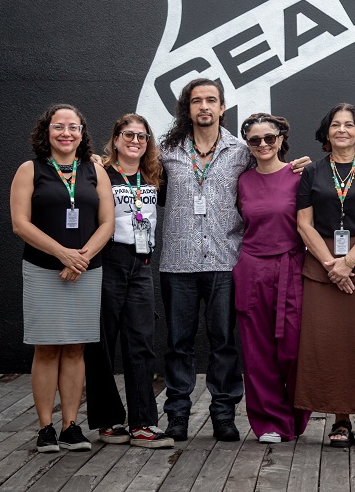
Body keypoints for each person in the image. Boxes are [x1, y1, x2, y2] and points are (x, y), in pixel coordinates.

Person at [156, 78, 309, 443]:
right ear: (187, 108)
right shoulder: (164, 152)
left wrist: (297, 168)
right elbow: (130, 168)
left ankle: (224, 415)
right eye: (197, 101)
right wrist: (101, 162)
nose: (204, 107)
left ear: (223, 107)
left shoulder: (242, 152)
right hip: (178, 262)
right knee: (178, 344)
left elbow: (270, 178)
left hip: (226, 261)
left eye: (211, 100)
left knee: (225, 344)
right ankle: (177, 416)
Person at [9, 104, 114, 453]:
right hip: (43, 269)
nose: (66, 132)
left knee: (75, 348)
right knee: (46, 348)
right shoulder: (30, 170)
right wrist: (62, 254)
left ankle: (70, 426)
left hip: (85, 271)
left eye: (74, 127)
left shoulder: (94, 170)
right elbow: (20, 223)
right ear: (46, 131)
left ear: (82, 133)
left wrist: (80, 258)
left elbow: (107, 223)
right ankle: (45, 429)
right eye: (59, 126)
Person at [295, 103, 355, 448]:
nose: (342, 130)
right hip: (322, 266)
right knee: (329, 344)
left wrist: (348, 262)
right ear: (327, 133)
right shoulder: (312, 173)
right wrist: (330, 265)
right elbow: (303, 224)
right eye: (335, 125)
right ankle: (338, 418)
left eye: (349, 125)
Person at [83, 114, 174, 449]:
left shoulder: (154, 175)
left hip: (141, 263)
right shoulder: (100, 171)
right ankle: (107, 421)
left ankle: (143, 424)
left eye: (142, 136)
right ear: (116, 138)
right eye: (128, 135)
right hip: (108, 260)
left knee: (141, 343)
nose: (135, 141)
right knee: (102, 343)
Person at [234, 113, 310, 444]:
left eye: (270, 138)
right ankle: (269, 422)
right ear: (248, 145)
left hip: (292, 266)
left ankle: (295, 416)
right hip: (252, 269)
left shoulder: (299, 175)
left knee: (294, 348)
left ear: (281, 139)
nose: (263, 144)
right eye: (255, 140)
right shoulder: (242, 181)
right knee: (257, 351)